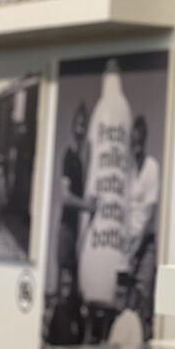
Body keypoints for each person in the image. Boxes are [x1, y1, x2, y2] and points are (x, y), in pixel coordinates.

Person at [78, 59, 133, 308]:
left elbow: (90, 153)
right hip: (112, 216)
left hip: (101, 216)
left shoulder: (101, 109)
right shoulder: (124, 109)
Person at [127, 115, 159, 327]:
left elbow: (150, 212)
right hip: (127, 244)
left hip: (145, 244)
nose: (136, 146)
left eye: (140, 141)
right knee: (126, 303)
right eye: (134, 142)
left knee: (143, 299)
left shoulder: (151, 167)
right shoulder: (127, 170)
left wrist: (136, 248)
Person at [57, 103, 94, 284]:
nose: (80, 130)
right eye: (78, 124)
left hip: (76, 231)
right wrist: (88, 206)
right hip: (67, 230)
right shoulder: (69, 156)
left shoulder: (81, 161)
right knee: (65, 284)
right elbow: (65, 197)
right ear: (72, 126)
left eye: (83, 125)